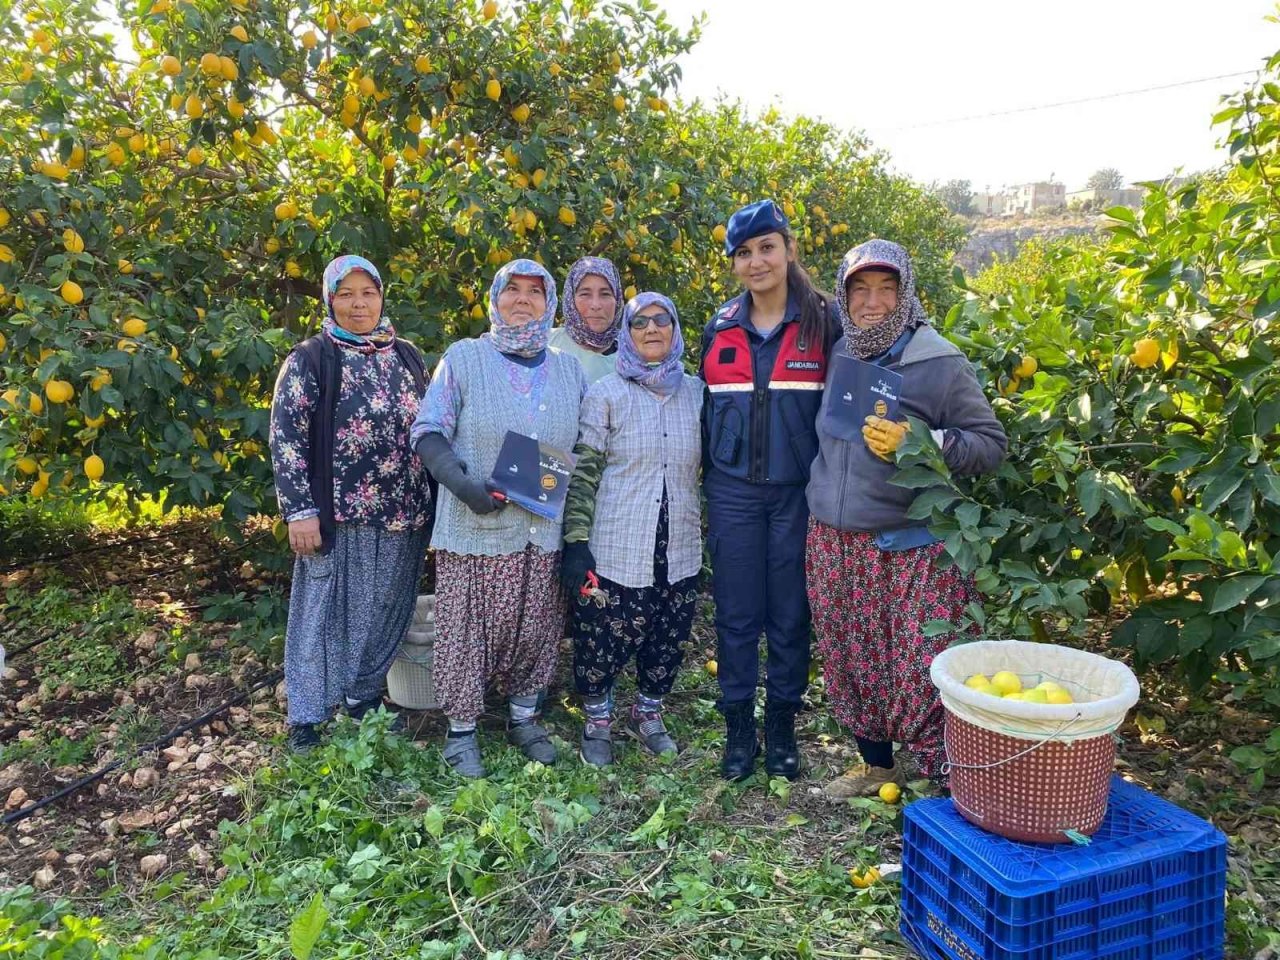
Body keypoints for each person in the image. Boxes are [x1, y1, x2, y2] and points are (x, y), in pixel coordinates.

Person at [805, 238, 1007, 798]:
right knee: (851, 658)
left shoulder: (937, 361)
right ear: (844, 297)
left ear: (906, 293)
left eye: (886, 289)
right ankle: (877, 766)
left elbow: (990, 445)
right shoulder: (842, 351)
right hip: (834, 538)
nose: (873, 301)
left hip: (911, 545)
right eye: (860, 289)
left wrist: (924, 441)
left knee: (922, 667)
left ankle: (951, 787)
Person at [410, 258, 585, 778]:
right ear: (495, 296)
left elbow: (580, 446)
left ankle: (524, 718)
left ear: (551, 302)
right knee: (467, 630)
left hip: (541, 530)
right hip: (475, 526)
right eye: (514, 290)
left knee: (535, 627)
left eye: (536, 291)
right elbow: (428, 431)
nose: (524, 299)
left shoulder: (568, 368)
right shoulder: (464, 358)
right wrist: (465, 486)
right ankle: (461, 731)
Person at [700, 199, 839, 781]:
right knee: (735, 613)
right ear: (734, 264)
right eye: (744, 253)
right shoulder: (720, 326)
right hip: (731, 493)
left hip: (797, 495)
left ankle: (781, 725)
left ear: (788, 250)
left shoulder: (825, 323)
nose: (757, 261)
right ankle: (738, 726)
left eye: (767, 248)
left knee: (788, 614)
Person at [269, 255, 431, 753]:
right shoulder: (312, 358)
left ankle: (362, 697)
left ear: (382, 296)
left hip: (403, 514)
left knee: (386, 609)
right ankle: (308, 718)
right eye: (347, 294)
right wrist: (299, 510)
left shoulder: (406, 355)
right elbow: (286, 436)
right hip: (338, 515)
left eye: (368, 292)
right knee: (322, 614)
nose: (359, 303)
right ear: (330, 299)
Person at [560, 292, 703, 766]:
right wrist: (576, 542)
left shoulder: (698, 394)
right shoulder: (607, 394)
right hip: (618, 543)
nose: (652, 329)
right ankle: (598, 719)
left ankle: (648, 713)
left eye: (663, 319)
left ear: (675, 329)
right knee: (602, 636)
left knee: (667, 634)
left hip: (678, 543)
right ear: (627, 332)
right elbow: (583, 475)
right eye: (640, 322)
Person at [549, 256, 623, 384]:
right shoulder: (546, 344)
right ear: (570, 299)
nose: (595, 305)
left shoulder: (632, 355)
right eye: (585, 294)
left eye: (605, 294)